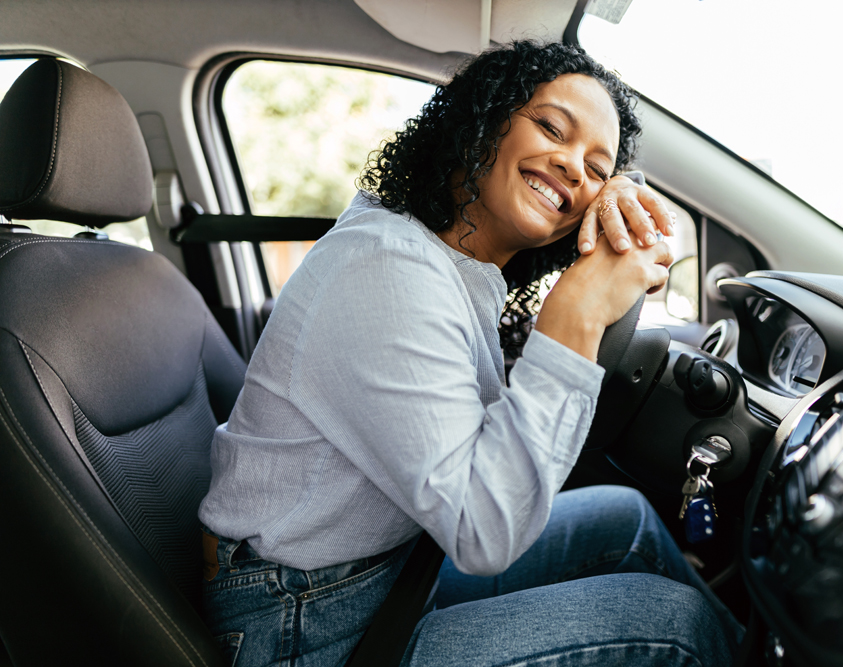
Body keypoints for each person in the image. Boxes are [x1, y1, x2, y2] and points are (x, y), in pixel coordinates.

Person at [198, 41, 742, 666]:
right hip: (300, 620)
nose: (572, 168)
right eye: (550, 127)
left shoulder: (448, 257)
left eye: (597, 169)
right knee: (674, 625)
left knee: (625, 518)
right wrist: (579, 312)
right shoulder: (388, 268)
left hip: (386, 568)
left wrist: (621, 192)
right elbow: (484, 533)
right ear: (479, 120)